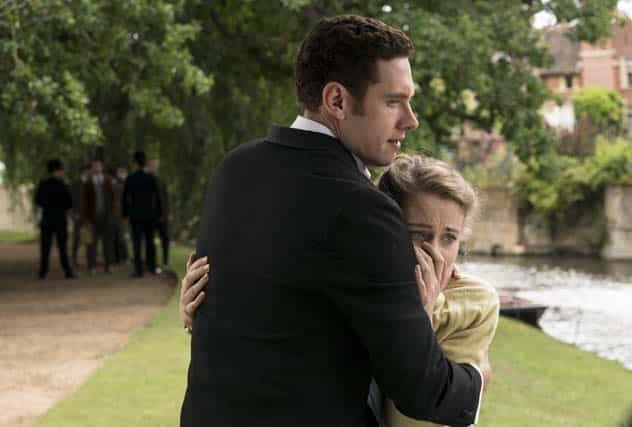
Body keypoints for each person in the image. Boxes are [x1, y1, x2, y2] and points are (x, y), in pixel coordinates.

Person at [180, 15, 488, 427]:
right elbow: (421, 389)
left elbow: (271, 308)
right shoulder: (363, 210)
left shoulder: (235, 169)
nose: (410, 119)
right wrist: (476, 378)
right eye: (393, 102)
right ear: (338, 101)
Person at [180, 154, 501, 427]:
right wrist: (207, 313)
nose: (436, 252)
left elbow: (417, 415)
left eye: (449, 238)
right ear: (386, 232)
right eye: (418, 234)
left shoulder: (473, 302)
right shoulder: (348, 291)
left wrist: (420, 317)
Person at [122, 150, 161, 277]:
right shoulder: (151, 178)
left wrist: (125, 214)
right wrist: (158, 213)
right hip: (150, 215)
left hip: (135, 216)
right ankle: (152, 267)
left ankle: (138, 270)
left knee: (137, 243)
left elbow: (125, 198)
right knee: (150, 242)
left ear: (135, 163)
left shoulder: (130, 178)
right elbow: (158, 197)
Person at [34, 159, 75, 279]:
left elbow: (38, 201)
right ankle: (67, 271)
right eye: (61, 170)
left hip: (47, 218)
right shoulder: (63, 184)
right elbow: (69, 203)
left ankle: (43, 272)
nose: (63, 172)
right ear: (57, 170)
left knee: (45, 247)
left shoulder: (43, 184)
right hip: (60, 219)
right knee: (62, 247)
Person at [81, 159, 115, 274]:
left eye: (98, 166)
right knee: (91, 243)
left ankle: (109, 265)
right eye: (94, 166)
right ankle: (92, 266)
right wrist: (86, 219)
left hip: (107, 216)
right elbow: (84, 202)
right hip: (92, 217)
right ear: (92, 168)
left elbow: (112, 199)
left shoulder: (108, 180)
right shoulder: (87, 182)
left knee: (108, 242)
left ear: (102, 167)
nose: (96, 168)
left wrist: (112, 215)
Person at [148, 159, 171, 268]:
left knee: (165, 238)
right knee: (150, 240)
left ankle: (165, 260)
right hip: (150, 216)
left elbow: (166, 197)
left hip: (162, 215)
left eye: (155, 165)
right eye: (152, 165)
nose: (154, 167)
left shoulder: (161, 180)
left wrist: (168, 212)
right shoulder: (146, 180)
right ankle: (151, 263)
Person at [70, 164, 90, 269]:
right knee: (77, 238)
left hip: (89, 215)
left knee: (89, 237)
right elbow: (71, 200)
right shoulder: (75, 184)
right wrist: (73, 214)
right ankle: (73, 259)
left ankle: (89, 260)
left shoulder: (90, 182)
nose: (88, 173)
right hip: (78, 214)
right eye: (87, 171)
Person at [111, 164, 129, 265]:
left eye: (123, 171)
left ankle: (125, 257)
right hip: (115, 213)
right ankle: (117, 258)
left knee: (121, 236)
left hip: (123, 214)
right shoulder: (114, 183)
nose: (121, 173)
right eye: (120, 171)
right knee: (116, 235)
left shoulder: (127, 183)